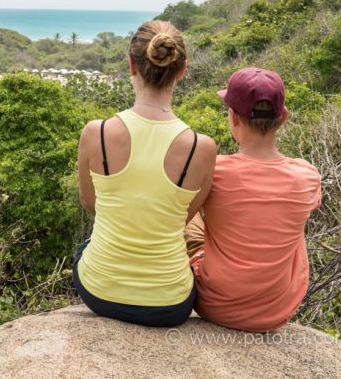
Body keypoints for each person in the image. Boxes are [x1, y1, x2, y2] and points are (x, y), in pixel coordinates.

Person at [74, 21, 217, 327]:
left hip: (98, 291)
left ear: (130, 65)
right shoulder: (201, 148)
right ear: (182, 70)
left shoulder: (95, 133)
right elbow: (182, 218)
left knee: (84, 250)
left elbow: (89, 203)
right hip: (169, 304)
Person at [186, 67, 322, 332]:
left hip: (214, 305)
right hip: (276, 312)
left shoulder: (216, 170)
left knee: (187, 220)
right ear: (283, 117)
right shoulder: (307, 175)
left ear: (233, 118)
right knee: (290, 220)